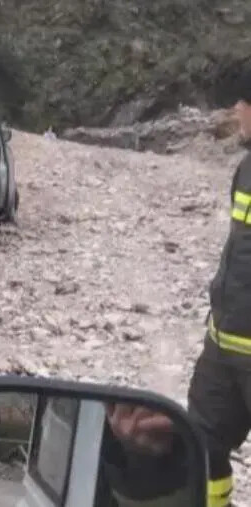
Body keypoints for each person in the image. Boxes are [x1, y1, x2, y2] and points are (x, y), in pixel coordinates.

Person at [187, 80, 251, 507]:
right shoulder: (246, 167)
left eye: (242, 102)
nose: (235, 109)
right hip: (223, 341)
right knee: (198, 441)